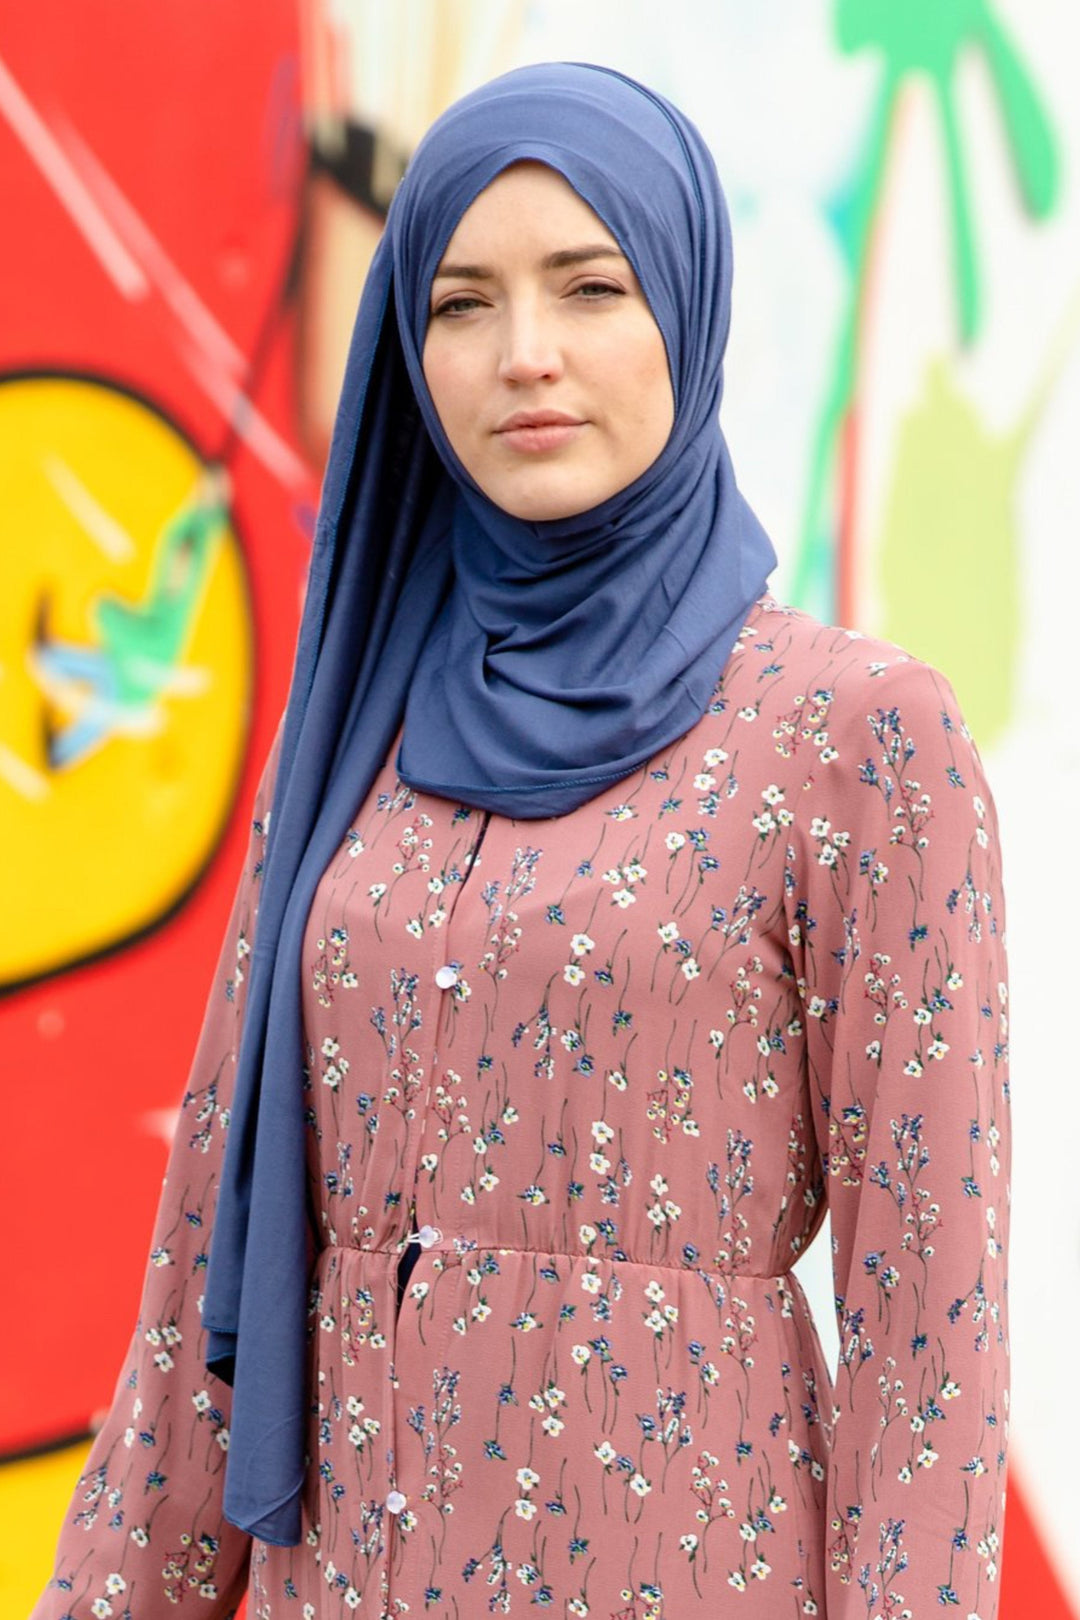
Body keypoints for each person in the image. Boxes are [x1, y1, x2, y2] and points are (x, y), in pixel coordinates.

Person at [34, 62, 1009, 1620]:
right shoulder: (358, 726)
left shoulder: (851, 738)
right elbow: (205, 1272)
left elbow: (929, 1333)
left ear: (684, 308)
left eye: (590, 286)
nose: (525, 356)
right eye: (461, 304)